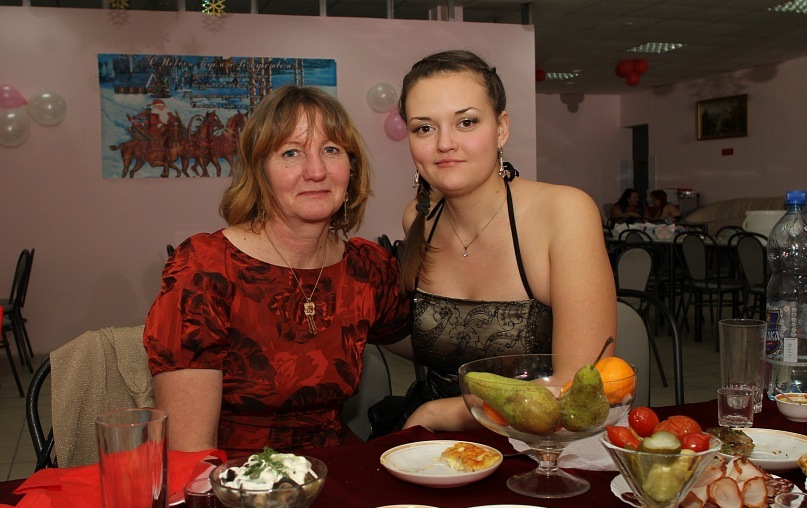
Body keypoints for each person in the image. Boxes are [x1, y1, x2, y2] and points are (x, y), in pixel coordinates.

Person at [144, 86, 410, 456]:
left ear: (351, 168)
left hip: (337, 469)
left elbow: (437, 345)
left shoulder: (367, 268)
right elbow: (191, 455)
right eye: (291, 153)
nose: (316, 171)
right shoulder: (206, 270)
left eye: (331, 150)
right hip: (236, 477)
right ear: (261, 173)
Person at [395, 50, 616, 432]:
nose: (445, 143)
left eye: (466, 122)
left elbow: (579, 389)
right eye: (424, 128)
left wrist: (439, 413)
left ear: (501, 129)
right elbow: (436, 337)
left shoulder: (563, 213)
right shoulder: (418, 219)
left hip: (539, 444)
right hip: (436, 447)